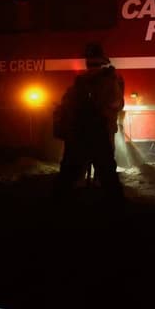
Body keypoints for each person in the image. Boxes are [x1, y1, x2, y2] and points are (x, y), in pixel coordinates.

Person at [54, 43, 125, 206]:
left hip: (80, 132)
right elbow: (117, 103)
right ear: (102, 62)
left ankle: (61, 201)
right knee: (107, 171)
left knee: (69, 170)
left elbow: (67, 103)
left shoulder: (79, 82)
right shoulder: (111, 80)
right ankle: (114, 203)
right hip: (100, 130)